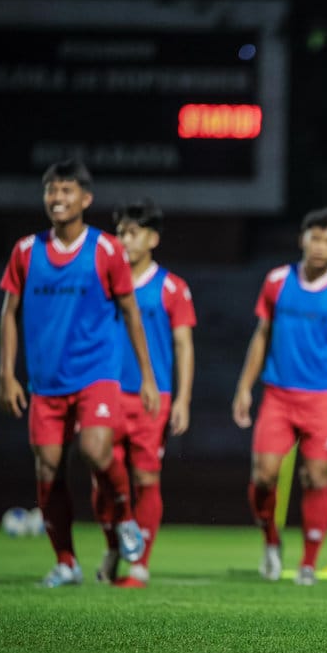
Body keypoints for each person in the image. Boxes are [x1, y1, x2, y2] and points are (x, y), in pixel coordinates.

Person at [0, 158, 160, 587]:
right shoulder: (26, 251)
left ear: (85, 199)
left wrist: (146, 376)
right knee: (47, 469)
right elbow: (9, 312)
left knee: (95, 450)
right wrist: (6, 374)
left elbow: (131, 312)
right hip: (46, 382)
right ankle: (66, 561)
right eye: (52, 189)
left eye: (67, 190)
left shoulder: (106, 250)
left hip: (95, 376)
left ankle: (124, 517)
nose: (57, 198)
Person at [232, 206, 327, 586]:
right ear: (302, 239)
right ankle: (271, 542)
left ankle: (308, 562)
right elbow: (261, 335)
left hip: (323, 398)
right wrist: (245, 386)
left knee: (316, 476)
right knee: (263, 476)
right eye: (314, 236)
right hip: (277, 394)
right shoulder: (277, 281)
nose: (320, 245)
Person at [91, 199, 197, 588]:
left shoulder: (172, 287)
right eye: (119, 232)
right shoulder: (100, 282)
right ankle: (113, 545)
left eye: (132, 232)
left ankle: (139, 564)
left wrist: (183, 399)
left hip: (152, 397)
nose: (123, 240)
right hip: (103, 392)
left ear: (152, 238)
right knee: (102, 478)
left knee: (146, 477)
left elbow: (184, 345)